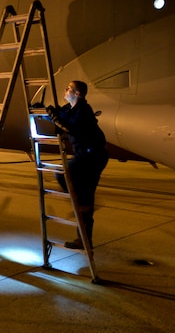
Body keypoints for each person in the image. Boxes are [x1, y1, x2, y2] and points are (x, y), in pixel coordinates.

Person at [46, 80, 108, 250]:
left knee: (62, 174)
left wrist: (54, 116)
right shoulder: (71, 109)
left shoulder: (84, 111)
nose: (66, 90)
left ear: (78, 93)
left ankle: (79, 203)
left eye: (69, 88)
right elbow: (59, 114)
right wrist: (42, 110)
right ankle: (84, 240)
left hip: (93, 155)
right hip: (86, 154)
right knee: (85, 198)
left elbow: (68, 126)